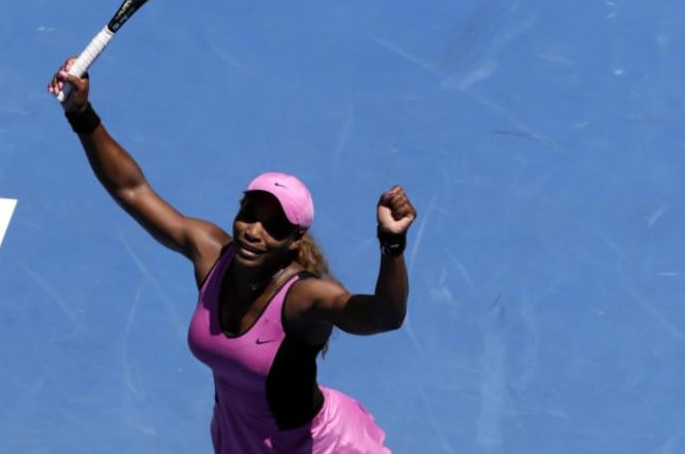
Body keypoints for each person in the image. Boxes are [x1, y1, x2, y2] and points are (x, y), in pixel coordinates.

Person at [48, 59, 417, 454]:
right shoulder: (210, 253)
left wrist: (391, 244)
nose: (253, 231)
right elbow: (132, 190)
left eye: (273, 226)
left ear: (294, 240)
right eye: (248, 216)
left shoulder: (305, 299)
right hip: (239, 442)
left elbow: (384, 316)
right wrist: (81, 113)